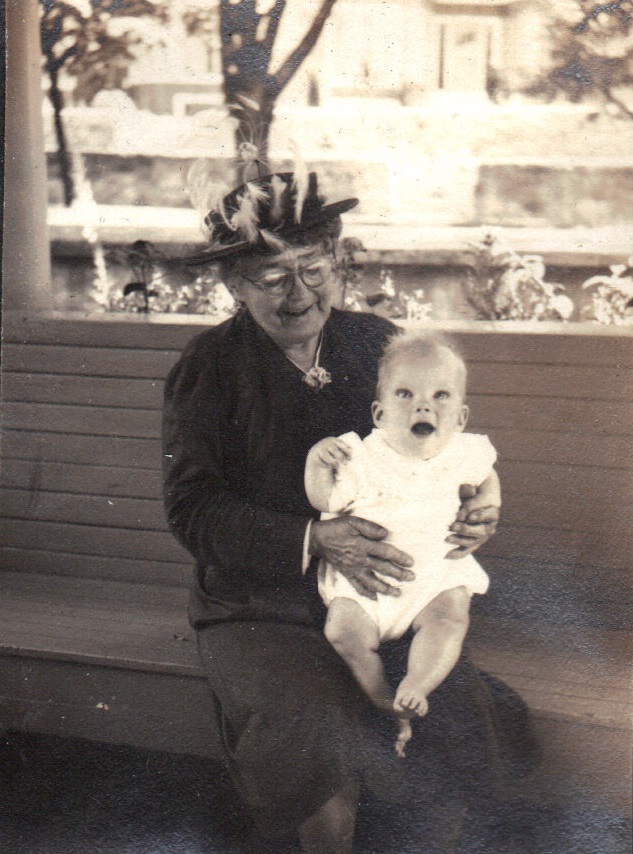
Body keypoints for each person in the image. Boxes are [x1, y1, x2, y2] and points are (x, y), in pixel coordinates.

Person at [162, 166, 535, 853]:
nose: (299, 293)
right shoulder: (209, 367)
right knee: (312, 728)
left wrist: (479, 505)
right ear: (234, 284)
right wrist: (314, 536)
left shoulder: (375, 343)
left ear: (336, 264)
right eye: (273, 277)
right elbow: (192, 508)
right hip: (260, 604)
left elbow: (444, 447)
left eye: (313, 269)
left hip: (388, 596)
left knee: (454, 711)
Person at [305, 330, 501, 759]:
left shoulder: (463, 452)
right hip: (365, 585)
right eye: (405, 394)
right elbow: (324, 500)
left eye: (440, 395)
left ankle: (417, 685)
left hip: (434, 578)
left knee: (451, 617)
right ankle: (382, 697)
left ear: (461, 418)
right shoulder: (360, 457)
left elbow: (487, 476)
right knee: (341, 631)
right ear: (379, 413)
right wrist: (317, 460)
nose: (423, 406)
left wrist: (490, 501)